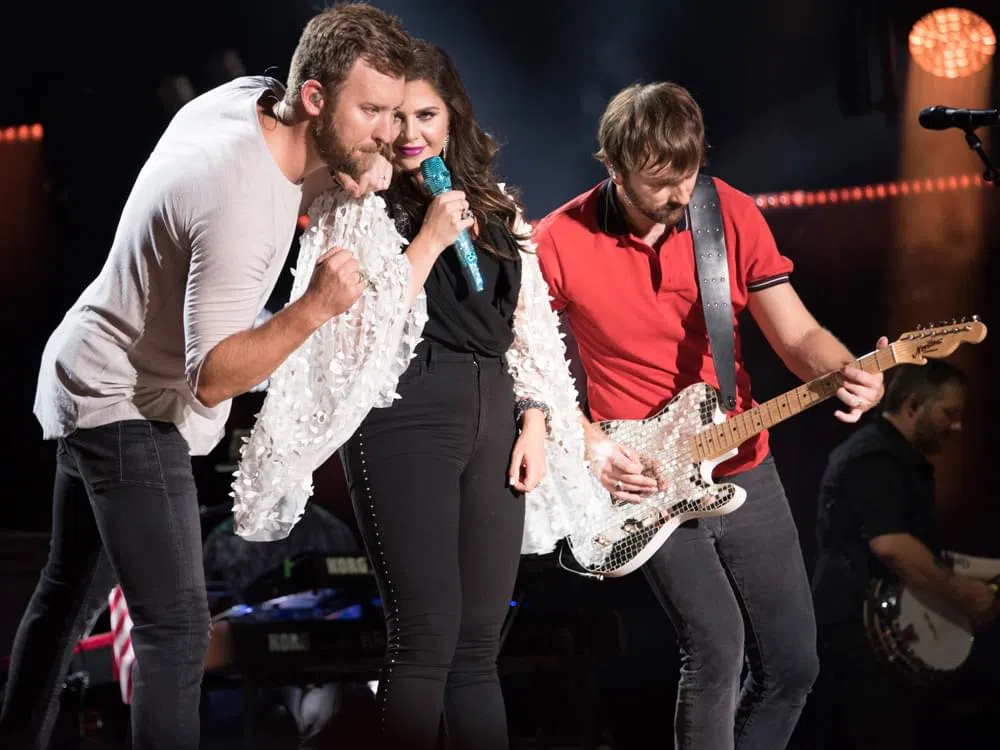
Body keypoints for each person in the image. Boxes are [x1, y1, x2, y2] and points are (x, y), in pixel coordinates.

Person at [0, 6, 414, 749]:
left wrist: (351, 163)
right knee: (178, 626)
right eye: (372, 112)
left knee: (69, 593)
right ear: (314, 98)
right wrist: (315, 307)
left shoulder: (253, 99)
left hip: (90, 365)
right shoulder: (236, 200)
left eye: (393, 111)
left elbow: (304, 167)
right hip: (126, 401)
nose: (388, 131)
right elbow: (216, 377)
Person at [231, 41, 601, 750]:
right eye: (394, 116)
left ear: (452, 115)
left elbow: (527, 334)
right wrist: (427, 241)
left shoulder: (497, 211)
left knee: (478, 647)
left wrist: (533, 419)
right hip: (404, 415)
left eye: (425, 115)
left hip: (494, 417)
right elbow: (358, 331)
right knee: (425, 634)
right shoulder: (357, 202)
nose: (409, 133)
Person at [532, 81, 886, 750]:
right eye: (658, 181)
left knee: (793, 665)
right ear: (612, 167)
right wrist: (587, 442)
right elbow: (526, 364)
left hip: (741, 458)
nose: (677, 194)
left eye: (688, 174)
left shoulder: (730, 214)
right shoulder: (557, 239)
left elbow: (797, 334)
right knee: (717, 648)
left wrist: (847, 369)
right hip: (643, 475)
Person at [811, 360, 998, 749]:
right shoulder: (875, 458)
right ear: (913, 405)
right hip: (861, 639)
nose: (957, 427)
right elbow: (892, 546)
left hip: (884, 641)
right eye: (950, 413)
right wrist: (963, 593)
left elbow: (927, 555)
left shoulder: (902, 460)